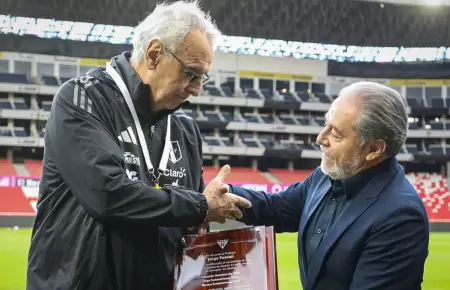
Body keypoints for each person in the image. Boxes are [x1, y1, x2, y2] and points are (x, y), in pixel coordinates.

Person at [26, 1, 250, 289]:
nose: (197, 88)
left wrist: (202, 216)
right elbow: (108, 196)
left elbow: (187, 220)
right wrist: (199, 206)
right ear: (155, 55)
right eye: (191, 73)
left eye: (201, 77)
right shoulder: (82, 99)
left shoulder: (186, 130)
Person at [225, 81, 430, 290]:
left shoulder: (400, 216)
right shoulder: (327, 175)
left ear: (374, 149)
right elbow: (276, 208)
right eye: (326, 124)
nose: (320, 138)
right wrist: (223, 197)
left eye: (336, 134)